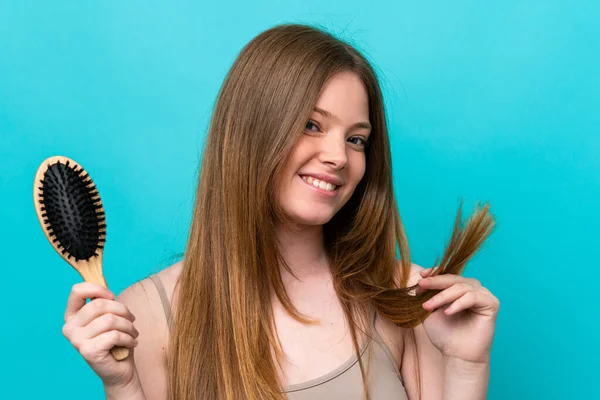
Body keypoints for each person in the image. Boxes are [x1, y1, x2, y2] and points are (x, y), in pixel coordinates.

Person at [61, 23, 500, 400]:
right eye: (312, 125)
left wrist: (466, 365)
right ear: (251, 131)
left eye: (356, 139)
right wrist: (122, 386)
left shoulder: (402, 295)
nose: (339, 157)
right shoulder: (149, 314)